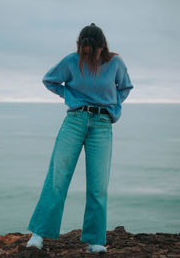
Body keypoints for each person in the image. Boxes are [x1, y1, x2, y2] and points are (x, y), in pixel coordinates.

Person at [26, 23, 134, 253]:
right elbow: (50, 80)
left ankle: (94, 241)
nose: (86, 54)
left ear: (101, 46)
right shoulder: (71, 60)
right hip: (75, 121)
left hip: (102, 125)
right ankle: (38, 234)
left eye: (90, 50)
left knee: (98, 184)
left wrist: (112, 107)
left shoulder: (115, 63)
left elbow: (125, 87)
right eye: (82, 49)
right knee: (57, 178)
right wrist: (71, 96)